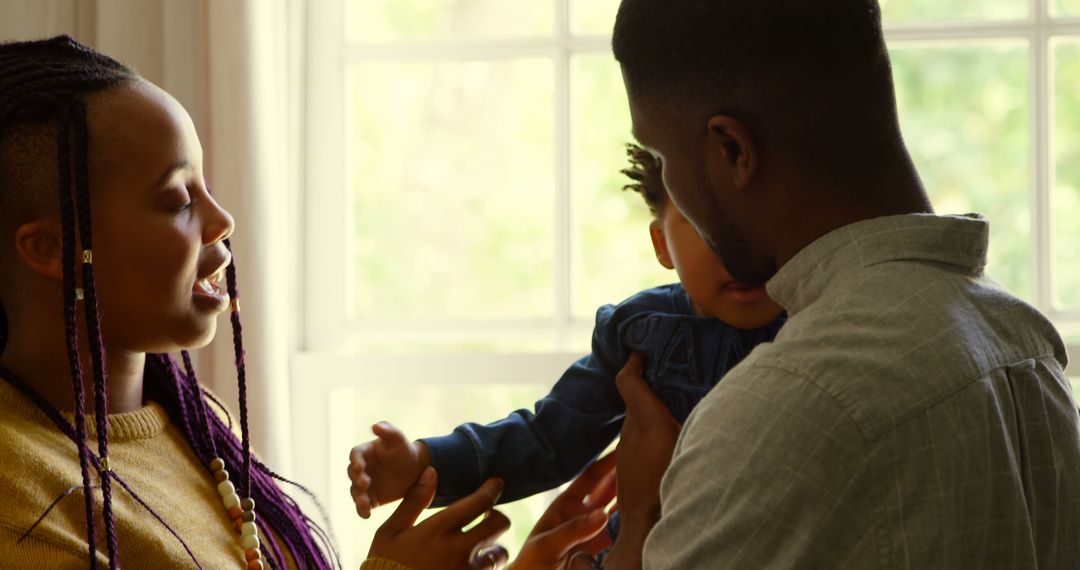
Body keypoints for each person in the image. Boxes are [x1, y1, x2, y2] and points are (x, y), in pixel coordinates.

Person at [571, 0, 1080, 568]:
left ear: (732, 149)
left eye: (663, 157)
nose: (669, 184)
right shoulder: (1028, 347)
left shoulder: (786, 404)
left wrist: (640, 519)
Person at [0, 35, 511, 570]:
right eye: (178, 199)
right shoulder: (16, 495)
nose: (222, 220)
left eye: (207, 187)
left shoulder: (198, 423)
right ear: (52, 247)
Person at [345, 145, 786, 535]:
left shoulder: (823, 321)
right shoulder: (639, 329)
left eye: (757, 216)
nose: (734, 248)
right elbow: (545, 440)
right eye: (702, 222)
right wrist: (425, 462)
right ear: (662, 245)